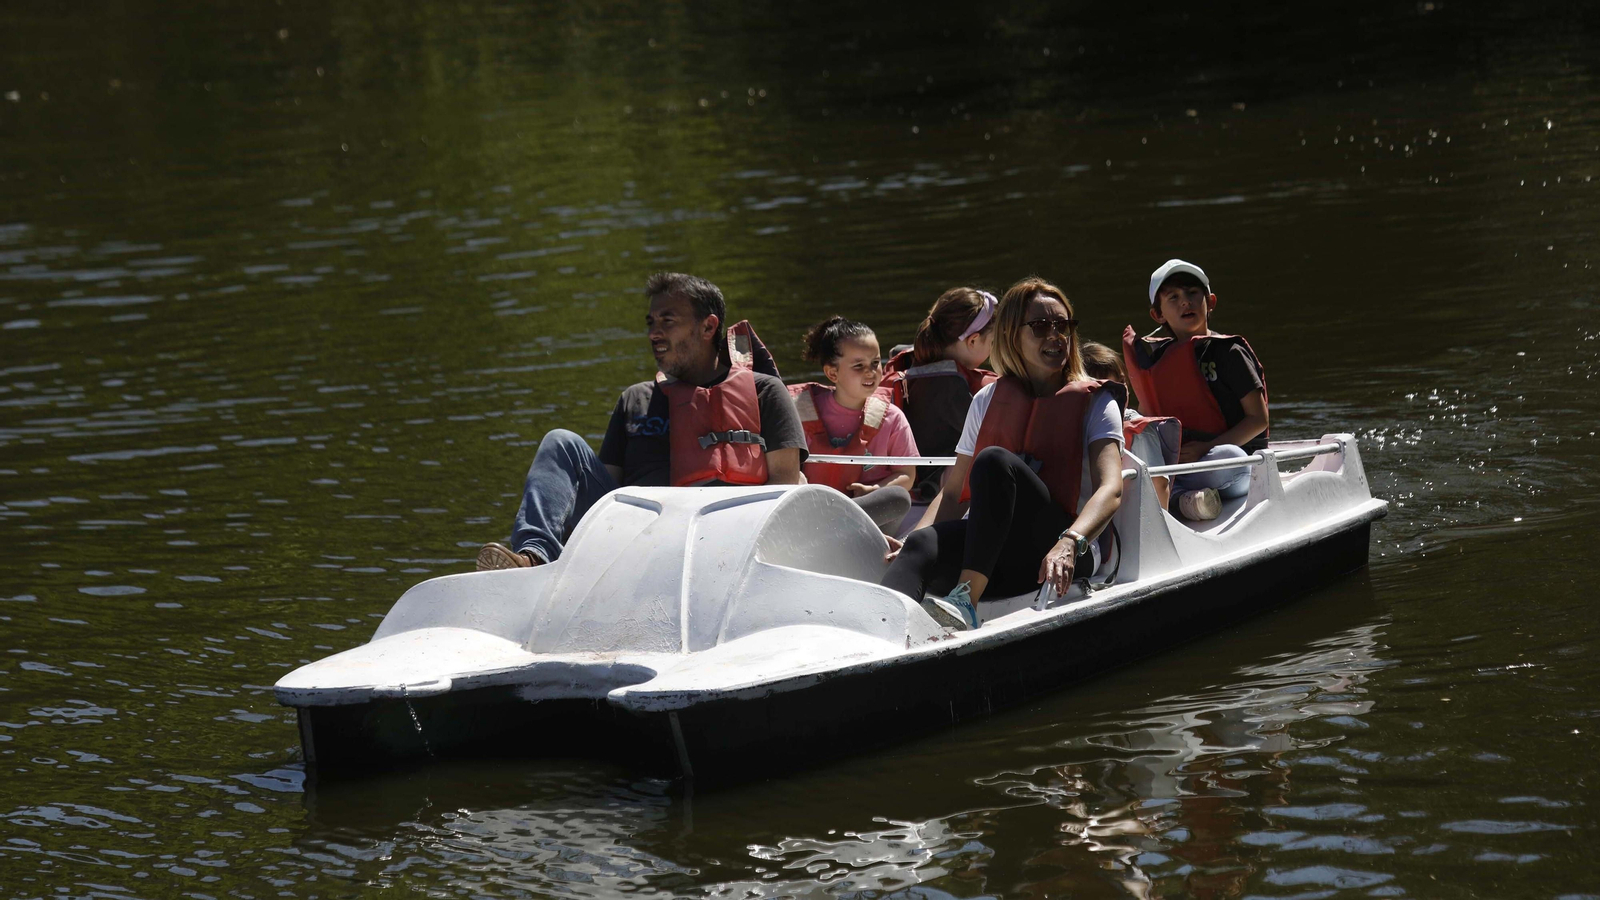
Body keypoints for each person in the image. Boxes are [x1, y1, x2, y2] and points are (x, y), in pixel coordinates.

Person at [476, 272, 806, 570]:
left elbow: (785, 490)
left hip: (726, 536)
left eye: (668, 321)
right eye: (651, 323)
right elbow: (601, 497)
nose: (653, 333)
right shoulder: (636, 399)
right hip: (637, 538)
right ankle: (532, 560)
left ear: (708, 327)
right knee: (560, 442)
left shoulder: (765, 392)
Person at [882, 277, 1125, 630]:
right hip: (998, 554)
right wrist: (906, 542)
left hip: (1061, 551)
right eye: (1041, 327)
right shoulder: (986, 400)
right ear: (1012, 334)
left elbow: (1111, 489)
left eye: (1064, 326)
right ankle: (879, 637)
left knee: (994, 461)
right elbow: (952, 494)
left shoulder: (1096, 402)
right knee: (921, 546)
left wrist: (1071, 542)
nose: (1055, 335)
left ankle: (965, 599)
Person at [1121, 260, 1269, 521]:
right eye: (1173, 297)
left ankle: (1175, 499)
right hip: (1180, 462)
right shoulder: (1158, 360)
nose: (1185, 302)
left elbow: (1258, 419)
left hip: (1227, 458)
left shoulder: (1229, 353)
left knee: (1230, 459)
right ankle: (1182, 496)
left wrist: (1206, 447)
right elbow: (1149, 416)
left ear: (1210, 302)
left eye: (1192, 293)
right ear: (1158, 314)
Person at [789, 316, 918, 532]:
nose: (870, 372)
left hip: (865, 517)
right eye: (859, 365)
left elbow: (907, 474)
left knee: (898, 498)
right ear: (832, 373)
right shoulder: (799, 411)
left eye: (875, 363)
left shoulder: (893, 418)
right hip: (811, 513)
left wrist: (876, 489)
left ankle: (833, 530)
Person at [881, 288, 1000, 498]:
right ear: (972, 341)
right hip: (935, 486)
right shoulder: (950, 386)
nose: (995, 349)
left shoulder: (918, 362)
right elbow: (988, 439)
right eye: (993, 342)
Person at [1080, 340, 1178, 511]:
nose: (1108, 401)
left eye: (1114, 390)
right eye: (1102, 394)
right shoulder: (1075, 424)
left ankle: (1185, 500)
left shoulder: (1138, 430)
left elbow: (1159, 484)